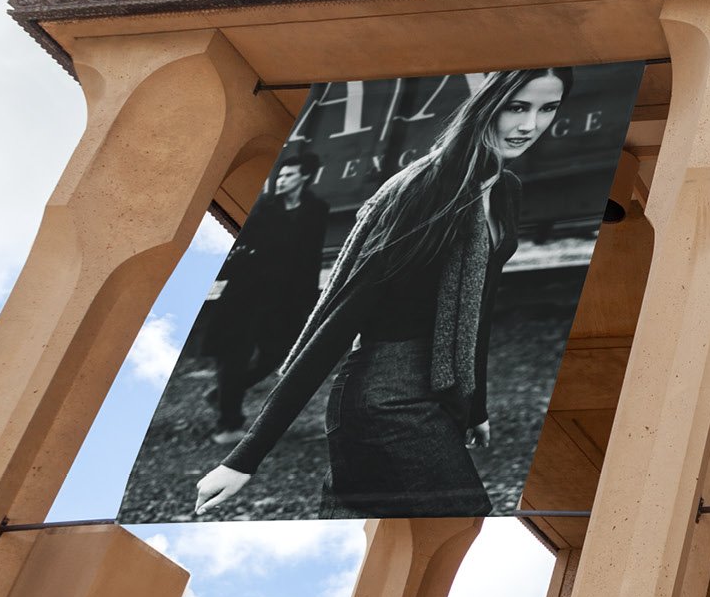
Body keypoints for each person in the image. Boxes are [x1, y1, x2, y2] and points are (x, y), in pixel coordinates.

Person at [192, 68, 572, 516]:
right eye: (517, 107)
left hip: (438, 386)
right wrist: (244, 458)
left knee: (361, 521)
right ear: (486, 105)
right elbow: (344, 317)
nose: (530, 125)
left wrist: (476, 405)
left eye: (548, 109)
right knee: (463, 516)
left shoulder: (505, 188)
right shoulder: (427, 190)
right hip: (387, 396)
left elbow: (479, 306)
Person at [203, 149, 329, 445]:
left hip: (283, 299)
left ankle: (223, 392)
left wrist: (309, 299)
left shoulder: (317, 210)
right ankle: (228, 425)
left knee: (278, 354)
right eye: (280, 175)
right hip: (246, 294)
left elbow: (312, 257)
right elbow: (238, 246)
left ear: (305, 177)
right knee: (234, 357)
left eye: (289, 175)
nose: (281, 180)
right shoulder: (261, 207)